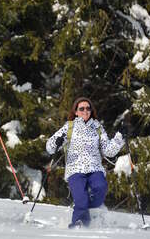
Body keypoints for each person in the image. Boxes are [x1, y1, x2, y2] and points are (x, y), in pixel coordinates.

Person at [46, 97, 125, 228]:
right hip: (75, 169)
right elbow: (49, 147)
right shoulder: (69, 127)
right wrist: (57, 142)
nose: (85, 111)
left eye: (88, 108)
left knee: (101, 187)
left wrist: (120, 136)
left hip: (94, 168)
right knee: (81, 198)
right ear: (76, 112)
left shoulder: (97, 127)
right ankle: (80, 222)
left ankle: (89, 211)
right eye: (81, 108)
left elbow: (109, 151)